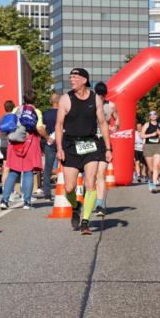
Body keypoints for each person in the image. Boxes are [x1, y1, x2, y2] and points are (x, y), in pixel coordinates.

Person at [55, 68, 113, 235]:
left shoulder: (95, 99)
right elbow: (59, 125)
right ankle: (75, 206)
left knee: (90, 183)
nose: (72, 79)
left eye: (75, 77)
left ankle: (85, 221)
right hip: (71, 146)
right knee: (69, 188)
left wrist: (108, 148)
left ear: (84, 80)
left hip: (90, 145)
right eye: (70, 77)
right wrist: (59, 148)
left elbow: (102, 123)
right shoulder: (66, 99)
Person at [0, 90, 47, 210]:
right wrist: (47, 137)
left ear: (24, 99)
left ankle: (4, 200)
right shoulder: (36, 112)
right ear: (34, 100)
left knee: (13, 172)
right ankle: (26, 202)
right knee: (28, 172)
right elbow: (39, 128)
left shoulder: (16, 109)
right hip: (30, 143)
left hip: (15, 143)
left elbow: (9, 124)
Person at [93, 82, 119, 217]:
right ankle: (90, 199)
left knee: (101, 174)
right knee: (91, 176)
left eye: (102, 97)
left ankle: (100, 204)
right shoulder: (89, 104)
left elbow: (117, 119)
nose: (100, 99)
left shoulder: (111, 105)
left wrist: (116, 126)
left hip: (104, 142)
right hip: (90, 142)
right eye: (98, 96)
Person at [40, 92, 59, 201]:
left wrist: (47, 138)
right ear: (59, 102)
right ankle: (69, 190)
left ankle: (47, 194)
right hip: (63, 142)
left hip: (50, 143)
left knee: (47, 168)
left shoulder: (45, 114)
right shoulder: (64, 113)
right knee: (68, 167)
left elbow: (41, 129)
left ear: (51, 102)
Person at [140, 111, 160, 191]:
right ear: (149, 117)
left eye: (155, 114)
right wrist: (151, 135)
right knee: (150, 169)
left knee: (156, 166)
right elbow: (141, 135)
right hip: (148, 147)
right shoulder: (147, 124)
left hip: (158, 146)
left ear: (157, 116)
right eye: (151, 114)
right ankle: (150, 181)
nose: (153, 116)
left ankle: (154, 185)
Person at [0, 100, 16, 194]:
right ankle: (10, 190)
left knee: (5, 168)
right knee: (11, 169)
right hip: (10, 145)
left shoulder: (2, 118)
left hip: (2, 145)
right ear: (13, 107)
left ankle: (4, 189)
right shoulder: (12, 118)